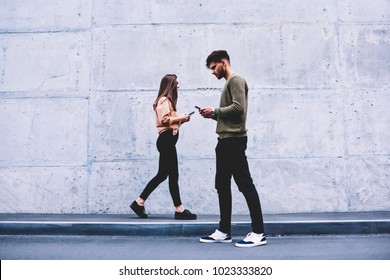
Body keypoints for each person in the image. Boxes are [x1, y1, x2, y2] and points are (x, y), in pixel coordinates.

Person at [198, 50, 266, 247]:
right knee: (222, 185)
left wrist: (216, 111)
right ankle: (224, 231)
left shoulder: (236, 80)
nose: (212, 72)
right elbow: (231, 113)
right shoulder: (229, 83)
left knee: (245, 185)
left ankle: (258, 233)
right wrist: (212, 115)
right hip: (225, 142)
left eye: (213, 68)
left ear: (223, 63)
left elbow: (239, 108)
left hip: (234, 142)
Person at [130, 74, 197, 220]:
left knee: (162, 175)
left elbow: (170, 122)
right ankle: (179, 210)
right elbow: (164, 120)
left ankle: (139, 202)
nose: (178, 86)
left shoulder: (168, 102)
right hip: (166, 141)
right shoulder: (163, 100)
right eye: (177, 83)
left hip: (168, 141)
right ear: (171, 85)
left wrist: (183, 120)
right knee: (173, 176)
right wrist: (181, 117)